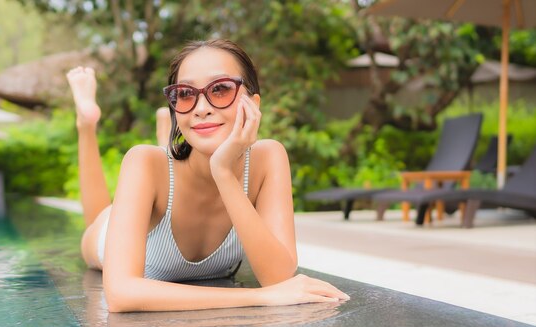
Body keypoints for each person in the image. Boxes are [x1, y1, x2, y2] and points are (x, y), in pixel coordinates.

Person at [66, 39, 349, 312]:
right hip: (114, 229)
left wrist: (223, 172)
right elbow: (120, 294)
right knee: (98, 218)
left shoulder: (269, 158)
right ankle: (86, 124)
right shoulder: (142, 161)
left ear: (253, 103)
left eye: (221, 89)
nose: (201, 108)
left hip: (183, 174)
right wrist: (258, 298)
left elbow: (278, 277)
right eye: (186, 94)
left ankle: (156, 134)